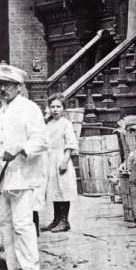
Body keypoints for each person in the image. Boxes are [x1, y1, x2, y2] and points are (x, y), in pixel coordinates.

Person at [0, 61, 49, 270]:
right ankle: (13, 268)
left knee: (23, 225)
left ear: (19, 86)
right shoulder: (2, 111)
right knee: (6, 224)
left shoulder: (29, 108)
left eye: (8, 84)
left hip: (24, 177)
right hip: (5, 179)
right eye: (1, 84)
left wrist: (20, 148)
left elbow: (42, 141)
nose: (3, 89)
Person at [40, 93, 79, 233]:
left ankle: (64, 221)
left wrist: (64, 161)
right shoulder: (49, 123)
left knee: (63, 190)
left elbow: (70, 144)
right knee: (54, 190)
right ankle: (56, 220)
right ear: (48, 108)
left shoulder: (66, 124)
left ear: (64, 109)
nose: (55, 109)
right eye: (52, 107)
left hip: (61, 158)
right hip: (50, 159)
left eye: (58, 106)